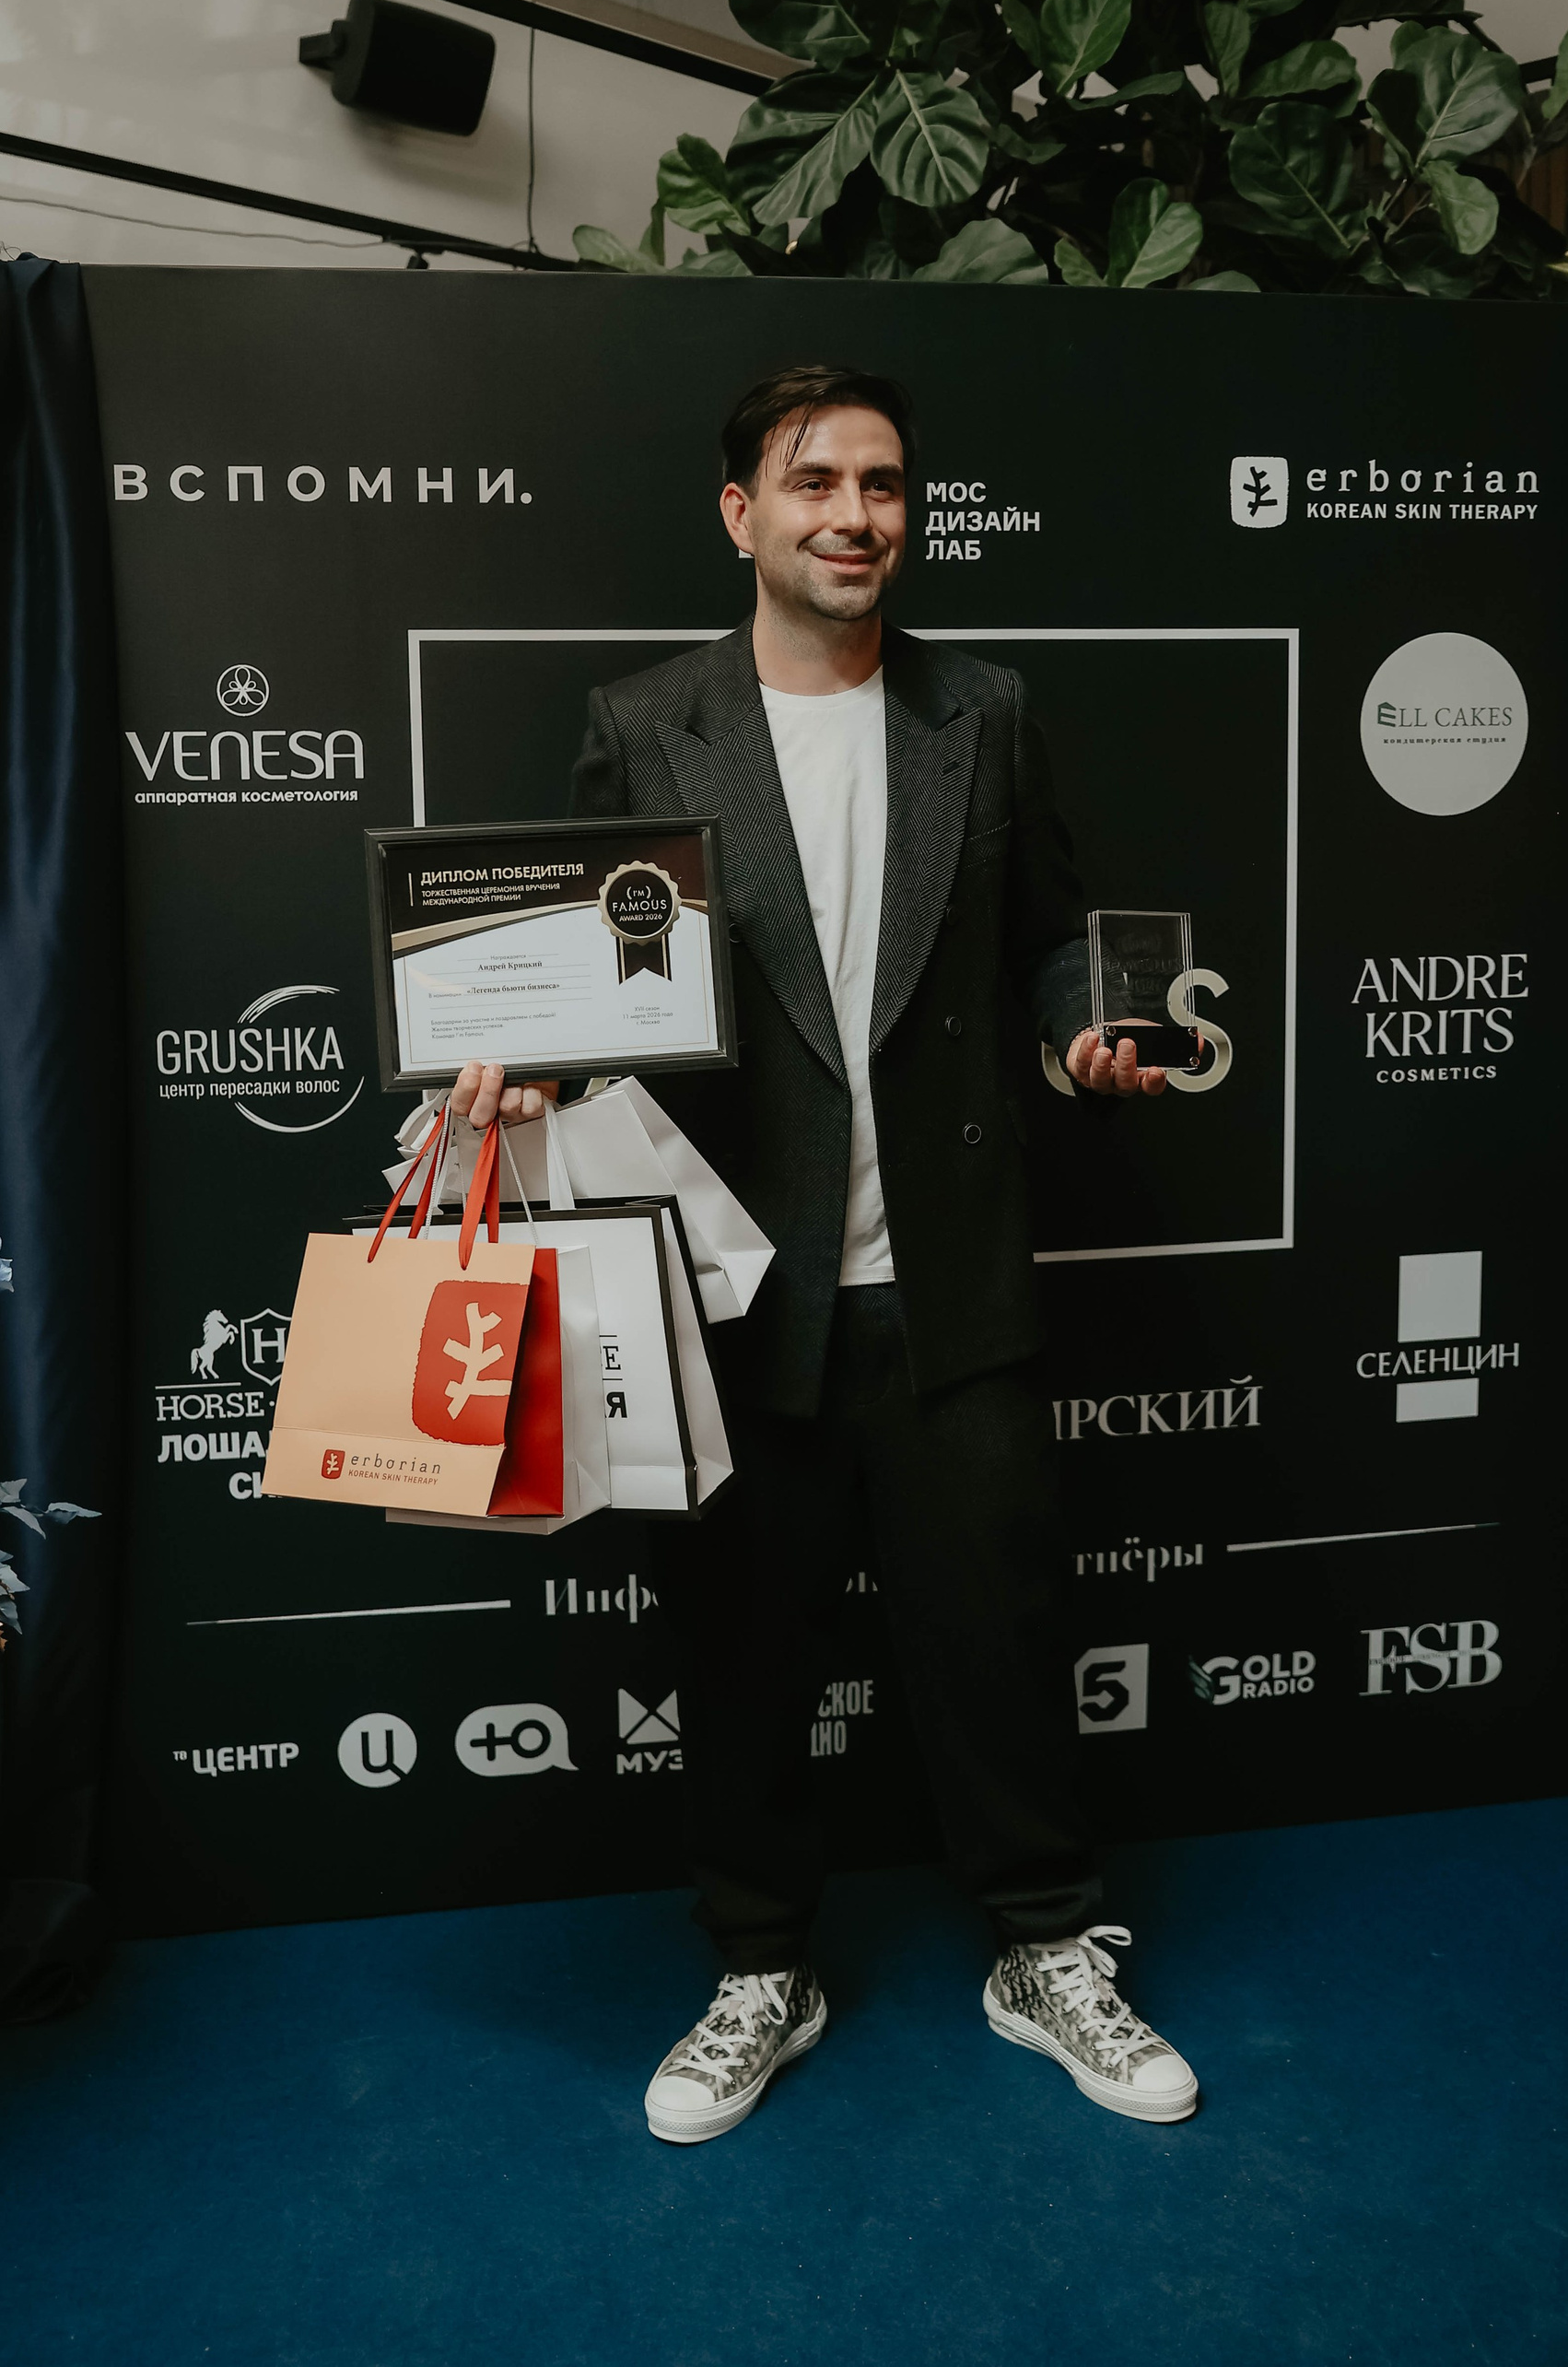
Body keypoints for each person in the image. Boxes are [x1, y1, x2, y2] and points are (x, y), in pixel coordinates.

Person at [453, 362, 1199, 2143]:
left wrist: (1085, 1032)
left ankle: (1046, 1950)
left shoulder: (984, 712)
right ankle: (758, 1969)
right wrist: (527, 1057)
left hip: (949, 1277)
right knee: (739, 1657)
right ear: (743, 515)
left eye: (881, 484)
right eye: (814, 484)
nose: (855, 515)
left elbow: (1052, 938)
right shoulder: (647, 724)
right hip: (732, 1291)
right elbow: (587, 982)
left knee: (998, 1644)